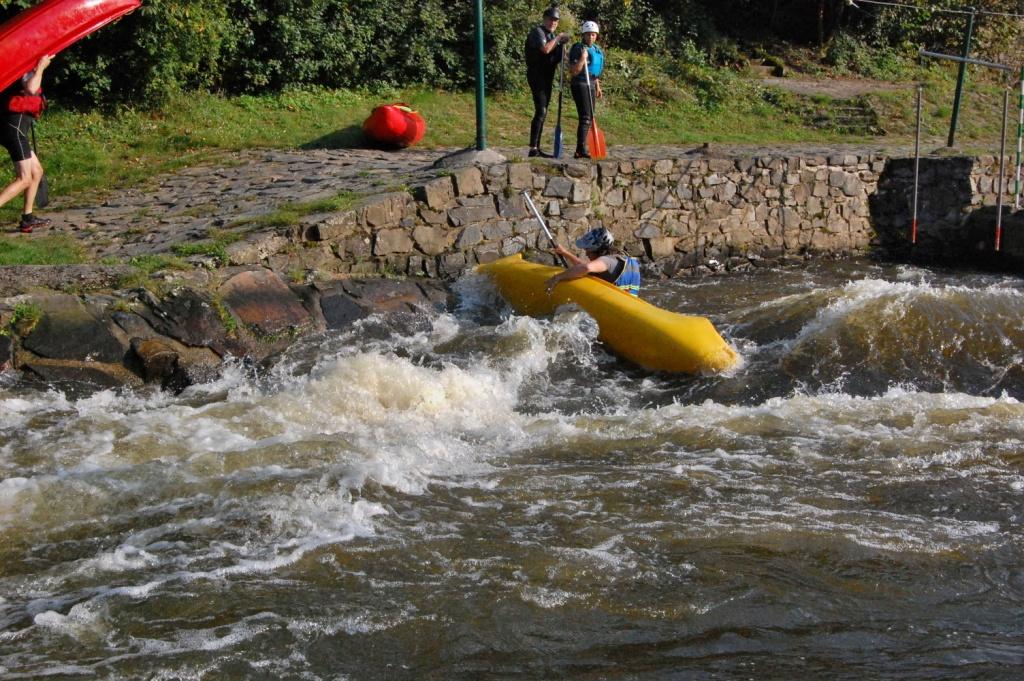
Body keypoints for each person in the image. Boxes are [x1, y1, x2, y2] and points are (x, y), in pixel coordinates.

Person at [0, 54, 52, 234]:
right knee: (24, 178)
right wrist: (41, 68)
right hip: (14, 128)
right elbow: (31, 89)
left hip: (15, 128)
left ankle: (27, 219)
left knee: (36, 171)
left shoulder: (23, 63)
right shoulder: (26, 66)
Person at [524, 6, 569, 158]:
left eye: (556, 20)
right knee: (541, 110)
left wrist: (563, 47)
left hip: (547, 77)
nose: (553, 23)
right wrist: (558, 39)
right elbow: (545, 50)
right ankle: (533, 148)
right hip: (536, 75)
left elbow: (560, 58)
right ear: (545, 19)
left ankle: (536, 148)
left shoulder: (552, 36)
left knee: (543, 111)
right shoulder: (538, 32)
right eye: (551, 19)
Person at [545, 227, 641, 296]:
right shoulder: (621, 259)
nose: (586, 254)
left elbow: (586, 268)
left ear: (598, 250)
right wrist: (565, 253)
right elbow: (584, 266)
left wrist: (558, 277)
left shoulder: (607, 261)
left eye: (588, 250)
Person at [567, 21, 603, 159]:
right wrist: (583, 58)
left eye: (593, 35)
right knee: (586, 117)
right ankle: (580, 149)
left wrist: (598, 86)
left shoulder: (596, 49)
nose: (590, 37)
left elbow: (595, 72)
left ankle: (582, 148)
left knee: (591, 116)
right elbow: (574, 71)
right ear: (583, 35)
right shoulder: (578, 48)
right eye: (588, 35)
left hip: (592, 83)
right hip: (580, 83)